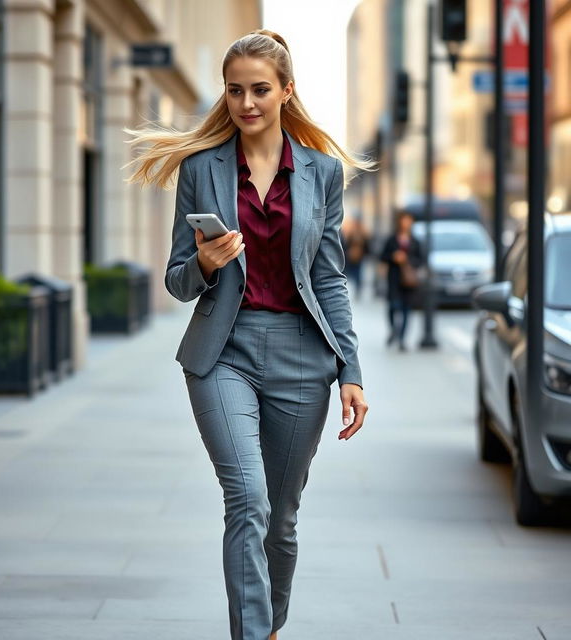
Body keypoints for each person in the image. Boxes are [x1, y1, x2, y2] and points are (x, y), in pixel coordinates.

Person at [126, 29, 376, 640]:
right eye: (235, 90)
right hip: (224, 354)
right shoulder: (201, 169)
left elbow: (330, 277)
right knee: (248, 501)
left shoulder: (321, 173)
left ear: (287, 91)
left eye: (261, 90)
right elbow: (177, 282)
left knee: (280, 520)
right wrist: (206, 264)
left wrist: (351, 370)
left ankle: (268, 625)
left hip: (301, 357)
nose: (247, 103)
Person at [379, 210, 423, 351]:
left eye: (409, 220)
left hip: (409, 281)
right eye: (404, 220)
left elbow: (420, 259)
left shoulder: (415, 241)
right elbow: (382, 256)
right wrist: (394, 257)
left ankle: (402, 339)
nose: (406, 223)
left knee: (406, 310)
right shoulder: (392, 239)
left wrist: (408, 260)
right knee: (393, 306)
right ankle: (394, 331)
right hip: (394, 278)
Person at [341, 216, 370, 298]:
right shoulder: (352, 233)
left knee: (358, 273)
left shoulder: (363, 233)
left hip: (359, 257)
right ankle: (356, 288)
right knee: (355, 273)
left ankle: (358, 289)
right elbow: (347, 245)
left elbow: (366, 246)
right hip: (353, 256)